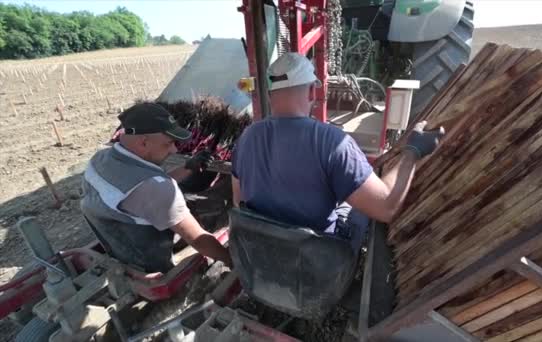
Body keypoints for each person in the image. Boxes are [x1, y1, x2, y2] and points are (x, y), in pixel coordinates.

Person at [231, 52, 445, 251]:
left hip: (261, 260)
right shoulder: (333, 142)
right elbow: (385, 207)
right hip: (317, 268)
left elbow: (239, 202)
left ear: (270, 95)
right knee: (357, 211)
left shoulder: (246, 138)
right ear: (312, 92)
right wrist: (413, 150)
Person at [81, 102, 232, 273]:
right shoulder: (155, 188)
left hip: (119, 240)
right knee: (211, 210)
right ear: (143, 143)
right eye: (168, 143)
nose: (174, 150)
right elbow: (198, 239)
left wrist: (188, 167)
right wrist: (232, 261)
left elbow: (149, 187)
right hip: (148, 261)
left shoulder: (99, 160)